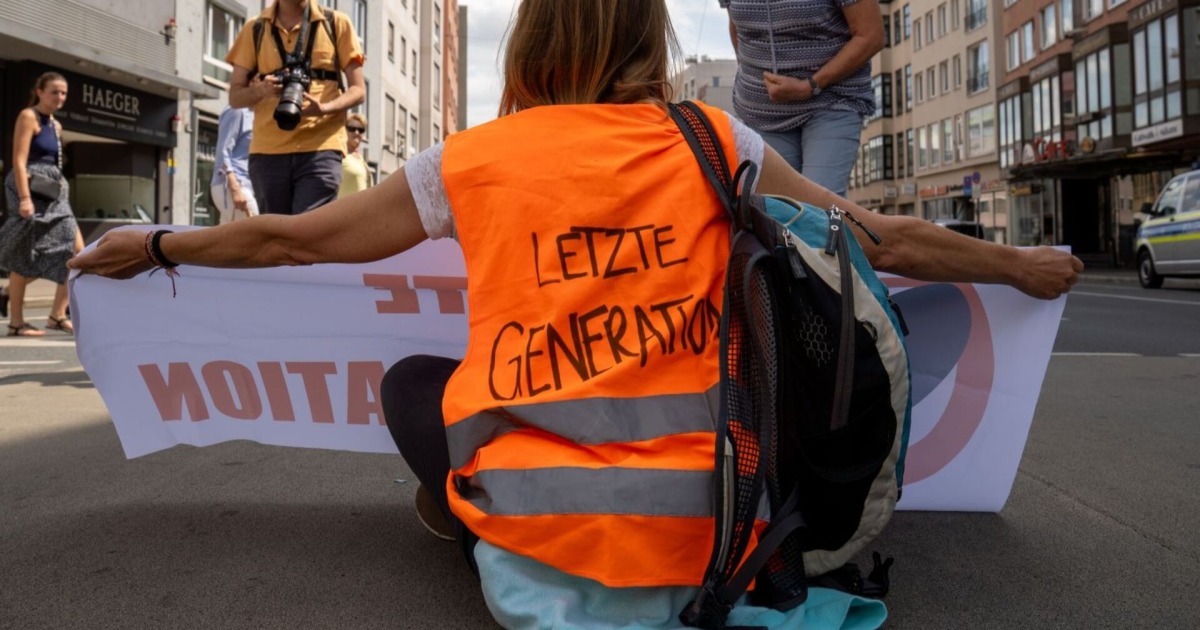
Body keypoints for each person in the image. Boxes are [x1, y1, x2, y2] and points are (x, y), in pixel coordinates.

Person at [69, 1, 1083, 626]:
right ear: (648, 37)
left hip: (540, 528)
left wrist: (154, 245)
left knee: (414, 384)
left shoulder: (470, 162)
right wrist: (1019, 265)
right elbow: (880, 241)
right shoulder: (712, 140)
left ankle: (469, 516)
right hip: (719, 526)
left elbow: (292, 241)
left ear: (531, 42)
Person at [723, 0, 885, 197]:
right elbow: (737, 28)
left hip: (831, 101)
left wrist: (810, 85)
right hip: (763, 113)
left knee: (819, 205)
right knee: (777, 209)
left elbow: (871, 35)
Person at [225, 0, 365, 215]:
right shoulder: (255, 28)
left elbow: (358, 90)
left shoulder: (336, 23)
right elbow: (235, 97)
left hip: (321, 147)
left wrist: (324, 108)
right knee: (274, 232)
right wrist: (261, 90)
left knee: (309, 230)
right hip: (267, 151)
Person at [1, 72, 84, 337]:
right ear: (40, 91)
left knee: (78, 252)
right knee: (24, 254)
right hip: (30, 188)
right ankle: (16, 323)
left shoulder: (56, 125)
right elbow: (19, 160)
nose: (60, 97)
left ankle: (57, 314)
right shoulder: (29, 116)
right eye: (54, 91)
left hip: (53, 191)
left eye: (63, 93)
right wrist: (25, 198)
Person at [210, 106, 257, 225]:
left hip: (247, 185)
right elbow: (223, 151)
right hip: (232, 184)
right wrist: (235, 189)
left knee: (228, 235)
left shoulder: (257, 113)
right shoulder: (236, 110)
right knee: (257, 230)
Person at [337, 113, 370, 198]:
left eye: (361, 130)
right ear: (344, 130)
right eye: (352, 129)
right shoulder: (339, 155)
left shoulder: (361, 160)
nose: (357, 132)